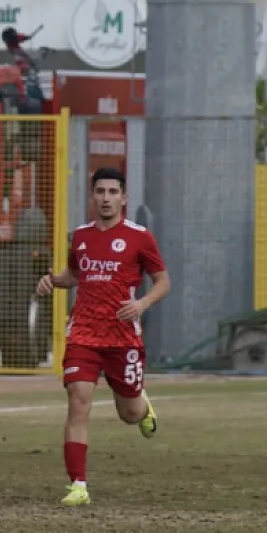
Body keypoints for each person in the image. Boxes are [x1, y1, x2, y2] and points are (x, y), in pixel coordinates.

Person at [35, 167, 169, 509]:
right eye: (100, 192)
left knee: (129, 413)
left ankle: (142, 404)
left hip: (123, 337)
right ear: (92, 196)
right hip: (83, 333)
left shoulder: (140, 237)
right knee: (78, 402)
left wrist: (141, 304)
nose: (106, 198)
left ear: (124, 198)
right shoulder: (80, 236)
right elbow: (76, 274)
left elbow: (163, 282)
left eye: (113, 192)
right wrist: (53, 280)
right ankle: (78, 485)